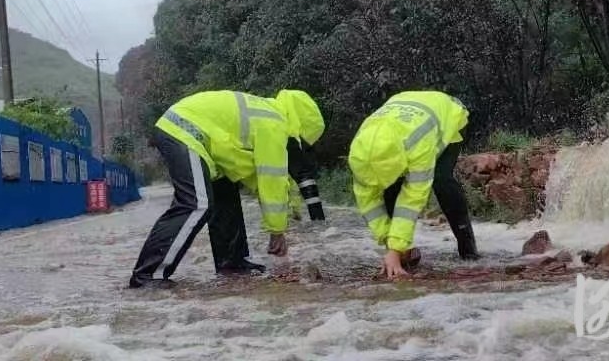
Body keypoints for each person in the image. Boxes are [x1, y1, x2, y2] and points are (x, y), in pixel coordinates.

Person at [129, 89, 326, 289]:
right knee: (197, 203)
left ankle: (231, 263)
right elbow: (271, 181)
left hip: (198, 136)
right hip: (184, 130)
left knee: (225, 191)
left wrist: (292, 207)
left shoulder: (268, 112)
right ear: (300, 131)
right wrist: (277, 230)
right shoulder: (275, 125)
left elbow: (257, 177)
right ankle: (147, 275)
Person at [348, 90, 479, 280]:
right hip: (403, 108)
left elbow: (412, 199)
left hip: (448, 115)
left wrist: (394, 247)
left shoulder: (418, 144)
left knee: (442, 181)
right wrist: (390, 243)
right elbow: (368, 202)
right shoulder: (361, 153)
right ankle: (403, 254)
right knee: (391, 189)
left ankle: (468, 250)